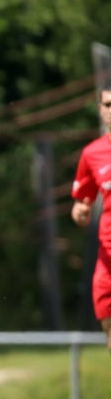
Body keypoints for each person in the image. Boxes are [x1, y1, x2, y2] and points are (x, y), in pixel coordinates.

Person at [70, 85, 111, 352]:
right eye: (108, 105)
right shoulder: (92, 153)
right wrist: (80, 213)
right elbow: (80, 202)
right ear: (100, 110)